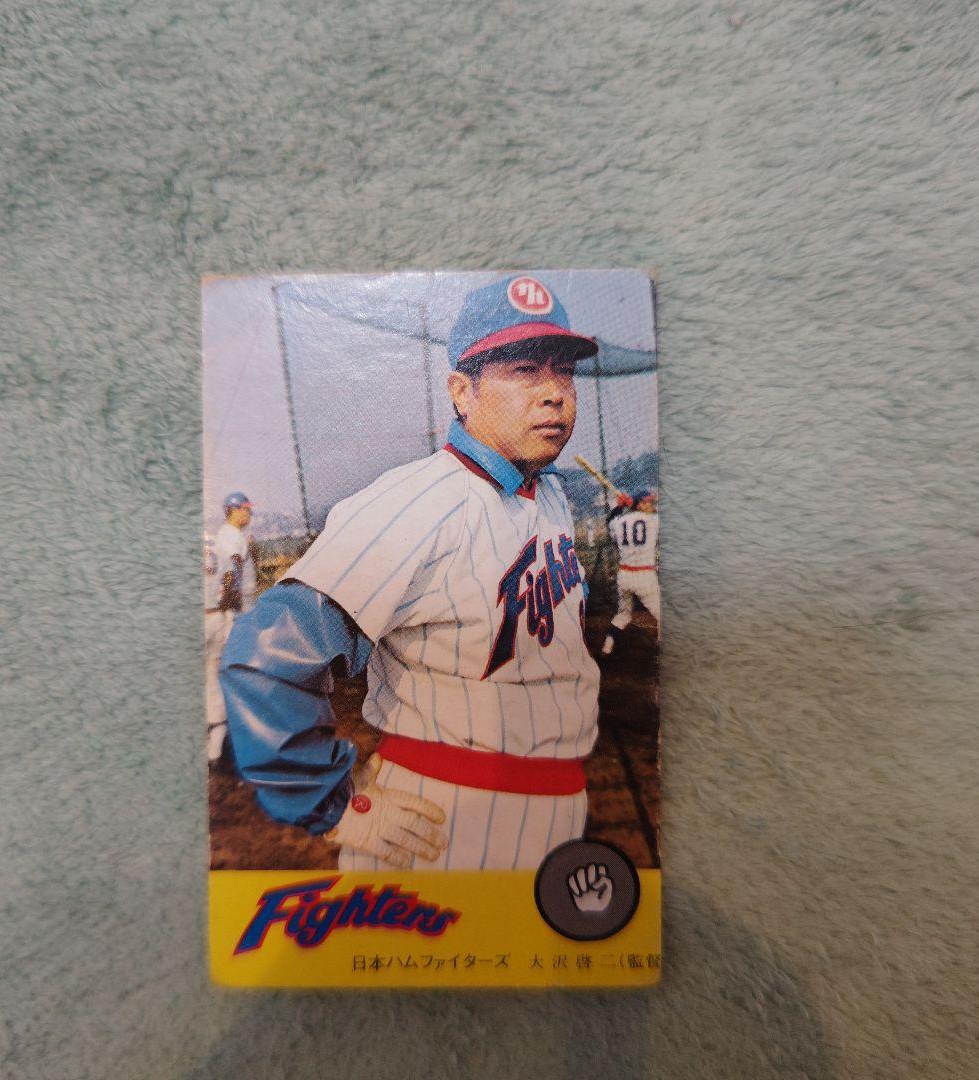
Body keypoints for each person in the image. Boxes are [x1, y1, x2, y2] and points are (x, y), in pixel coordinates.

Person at [220, 275, 601, 870]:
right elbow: (265, 655)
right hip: (441, 824)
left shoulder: (549, 495)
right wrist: (332, 805)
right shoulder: (415, 501)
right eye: (525, 370)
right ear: (462, 392)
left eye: (564, 371)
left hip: (553, 807)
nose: (554, 392)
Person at [205, 491, 254, 764]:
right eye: (246, 509)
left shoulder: (230, 535)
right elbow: (231, 574)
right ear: (233, 510)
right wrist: (231, 611)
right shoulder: (229, 536)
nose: (249, 513)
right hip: (234, 611)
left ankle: (225, 730)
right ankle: (232, 730)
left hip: (234, 609)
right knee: (231, 669)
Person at [602, 489, 660, 653]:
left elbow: (610, 521)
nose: (651, 505)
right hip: (644, 576)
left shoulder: (619, 521)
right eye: (648, 502)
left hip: (624, 576)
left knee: (624, 614)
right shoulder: (654, 520)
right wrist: (632, 506)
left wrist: (619, 507)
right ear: (640, 504)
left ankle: (607, 646)